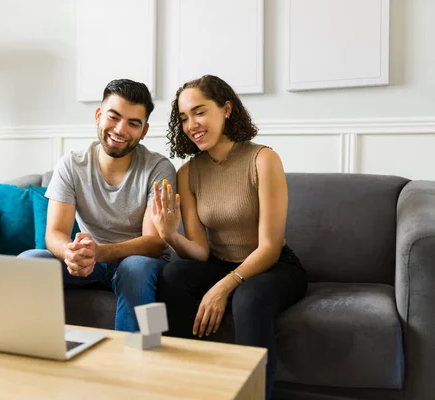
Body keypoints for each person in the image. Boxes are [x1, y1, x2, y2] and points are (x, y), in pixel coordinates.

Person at [151, 75, 307, 399]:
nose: (191, 124)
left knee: (247, 298)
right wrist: (169, 236)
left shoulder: (263, 159)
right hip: (220, 263)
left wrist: (224, 286)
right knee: (172, 274)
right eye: (183, 118)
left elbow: (270, 247)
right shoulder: (188, 173)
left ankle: (253, 394)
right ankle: (186, 385)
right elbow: (200, 253)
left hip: (273, 266)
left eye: (199, 112)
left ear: (226, 109)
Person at [18, 79, 176, 332]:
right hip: (91, 263)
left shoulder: (158, 168)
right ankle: (36, 354)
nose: (121, 129)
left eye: (133, 123)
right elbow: (55, 233)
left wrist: (97, 252)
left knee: (135, 267)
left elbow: (154, 243)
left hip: (142, 262)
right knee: (28, 260)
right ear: (99, 115)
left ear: (144, 130)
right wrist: (71, 253)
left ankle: (142, 359)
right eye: (114, 117)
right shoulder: (71, 165)